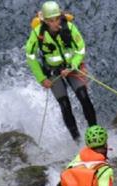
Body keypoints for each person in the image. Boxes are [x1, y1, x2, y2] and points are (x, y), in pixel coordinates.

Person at [25, 1, 97, 141]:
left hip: (72, 67)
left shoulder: (69, 27)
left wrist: (73, 65)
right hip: (52, 71)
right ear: (45, 21)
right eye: (51, 20)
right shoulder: (37, 33)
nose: (55, 23)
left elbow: (80, 48)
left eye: (57, 18)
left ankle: (94, 132)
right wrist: (41, 78)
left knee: (83, 96)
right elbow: (30, 56)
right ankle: (77, 140)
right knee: (64, 104)